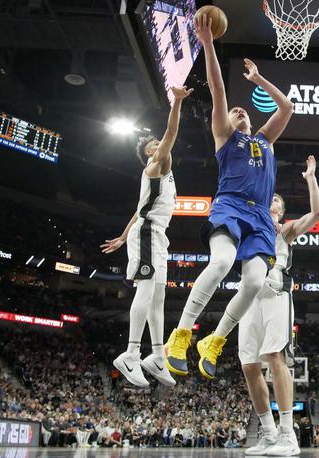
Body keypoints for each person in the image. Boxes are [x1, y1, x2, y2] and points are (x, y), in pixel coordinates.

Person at [165, 13, 294, 380]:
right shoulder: (226, 136)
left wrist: (258, 79)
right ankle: (182, 334)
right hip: (231, 205)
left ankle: (215, 341)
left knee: (254, 282)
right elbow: (218, 89)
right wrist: (207, 43)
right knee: (221, 263)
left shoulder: (264, 140)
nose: (238, 110)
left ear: (252, 120)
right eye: (234, 111)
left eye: (243, 111)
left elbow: (287, 108)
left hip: (260, 219)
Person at [101, 85, 193, 388]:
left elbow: (138, 210)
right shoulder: (156, 165)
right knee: (145, 291)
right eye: (155, 144)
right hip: (148, 233)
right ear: (150, 153)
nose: (160, 145)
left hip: (152, 233)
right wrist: (177, 103)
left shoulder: (164, 175)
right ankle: (130, 353)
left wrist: (123, 236)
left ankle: (155, 355)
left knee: (158, 295)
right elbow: (171, 132)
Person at [240, 155, 319, 456]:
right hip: (249, 297)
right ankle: (269, 434)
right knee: (249, 366)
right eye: (269, 196)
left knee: (275, 357)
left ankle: (288, 434)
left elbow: (317, 212)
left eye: (276, 199)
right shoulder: (249, 224)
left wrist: (310, 178)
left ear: (281, 210)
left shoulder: (285, 231)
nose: (271, 199)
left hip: (276, 294)